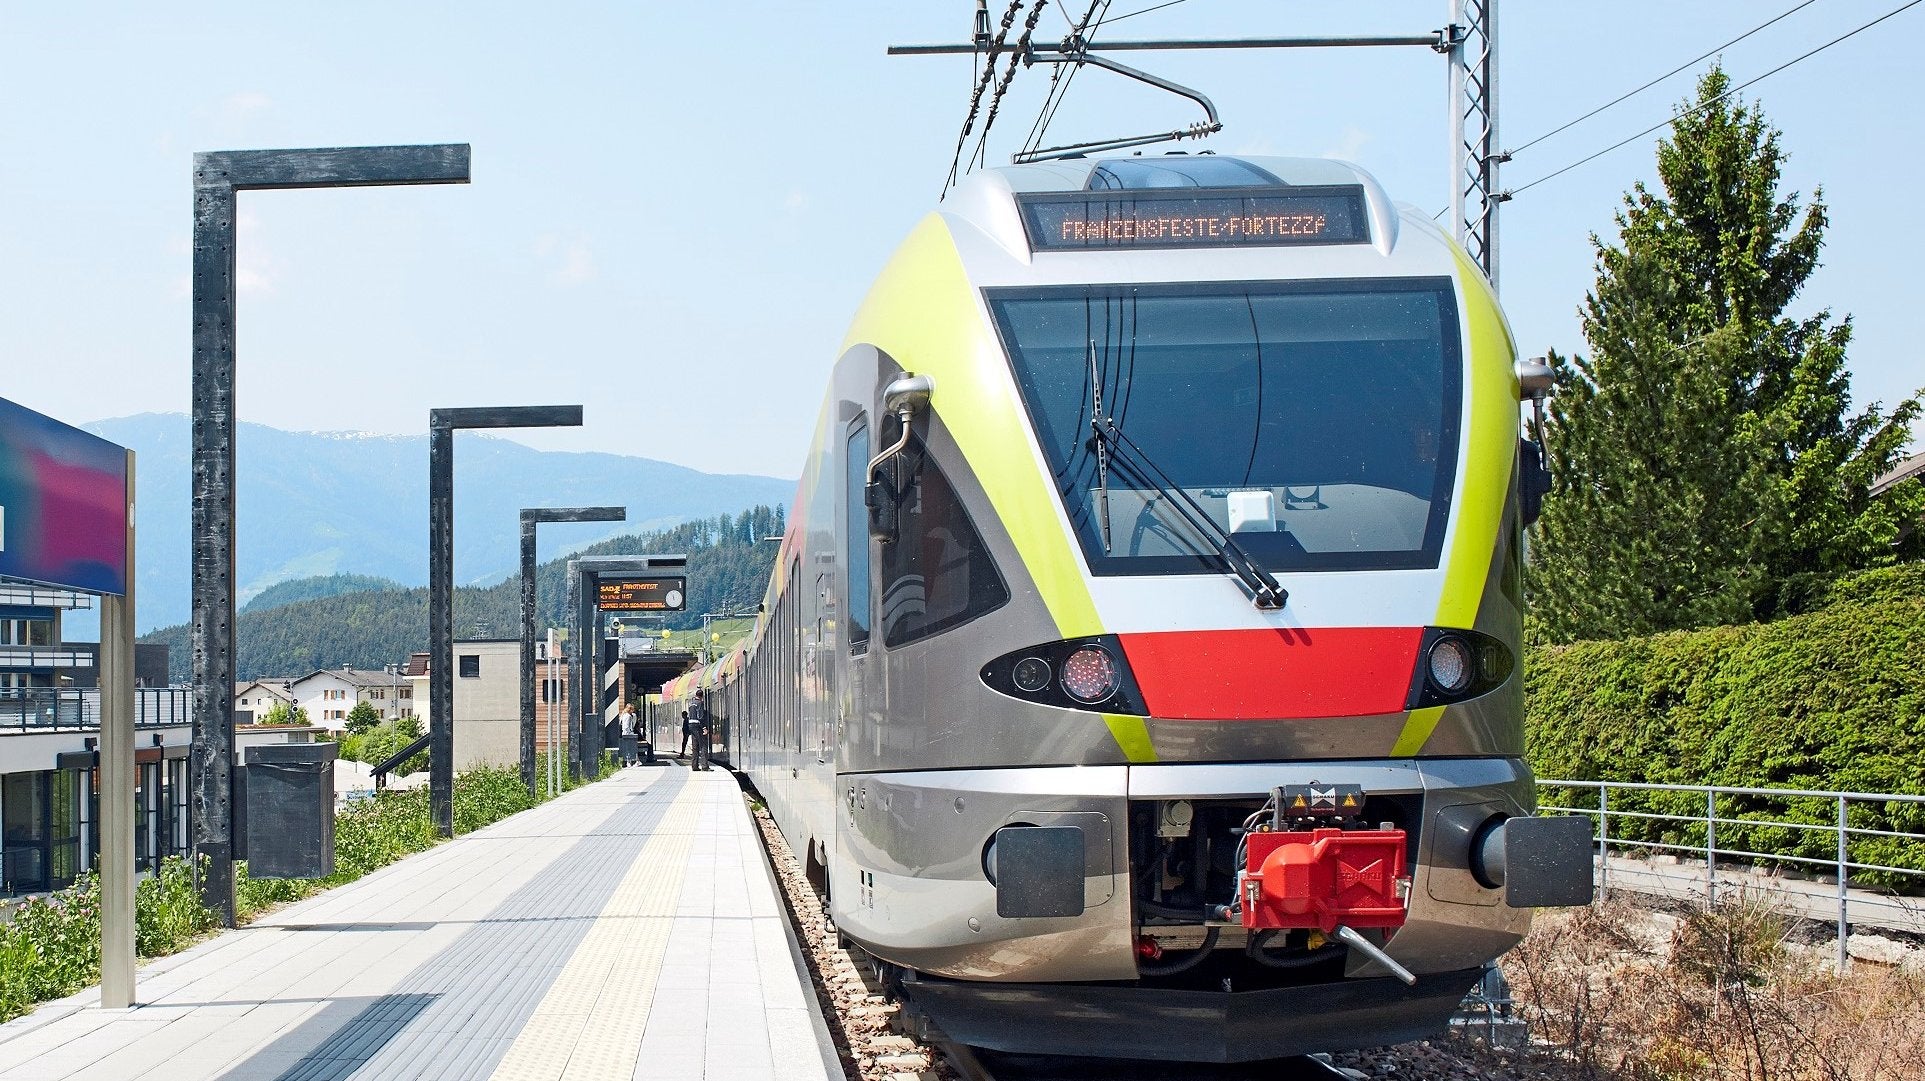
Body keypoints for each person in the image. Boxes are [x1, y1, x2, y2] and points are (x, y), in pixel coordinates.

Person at [617, 701, 639, 767]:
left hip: (624, 734)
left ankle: (629, 762)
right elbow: (630, 725)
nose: (633, 711)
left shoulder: (623, 715)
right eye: (632, 709)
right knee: (631, 748)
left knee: (627, 748)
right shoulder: (629, 716)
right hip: (629, 734)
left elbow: (621, 725)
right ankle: (635, 761)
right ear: (630, 709)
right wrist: (630, 732)